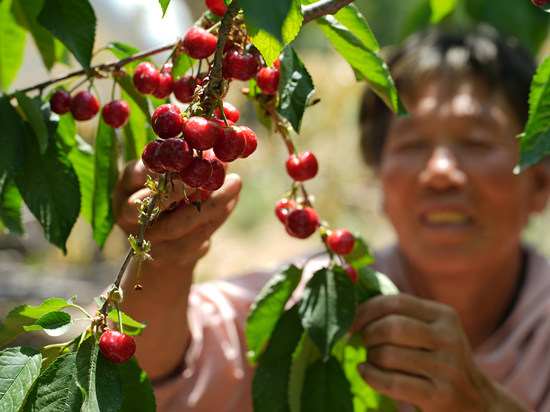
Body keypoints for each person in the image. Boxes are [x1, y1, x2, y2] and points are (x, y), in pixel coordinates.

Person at [113, 24, 550, 411]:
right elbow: (157, 370)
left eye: (476, 142)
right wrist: (166, 261)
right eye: (411, 144)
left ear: (541, 182)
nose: (439, 172)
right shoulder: (325, 300)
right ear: (379, 179)